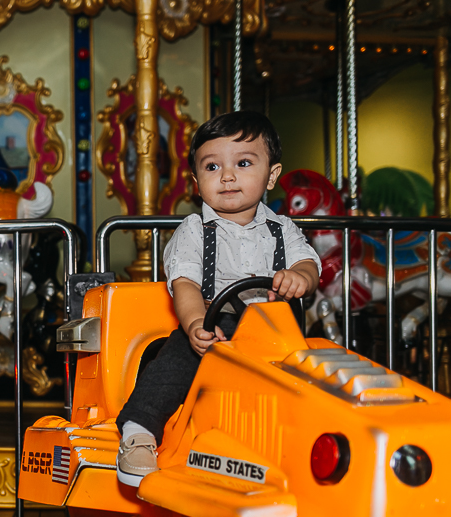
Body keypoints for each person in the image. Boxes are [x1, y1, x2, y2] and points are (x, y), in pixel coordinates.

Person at [114, 111, 322, 486]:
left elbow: (308, 263)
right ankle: (139, 431)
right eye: (212, 167)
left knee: (316, 366)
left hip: (275, 331)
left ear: (271, 175)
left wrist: (300, 278)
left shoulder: (282, 228)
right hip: (216, 323)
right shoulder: (194, 230)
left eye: (243, 163)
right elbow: (186, 284)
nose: (227, 176)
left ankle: (314, 440)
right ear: (197, 183)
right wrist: (196, 323)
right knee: (177, 358)